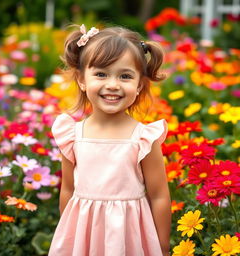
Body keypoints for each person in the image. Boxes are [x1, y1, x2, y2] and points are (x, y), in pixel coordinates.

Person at [48, 24, 171, 256]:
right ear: (82, 80)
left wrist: (162, 246)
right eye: (101, 74)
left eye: (125, 76)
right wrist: (68, 236)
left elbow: (159, 195)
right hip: (83, 237)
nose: (113, 84)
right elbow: (68, 189)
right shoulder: (72, 135)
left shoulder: (143, 138)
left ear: (139, 86)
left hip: (129, 235)